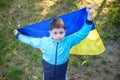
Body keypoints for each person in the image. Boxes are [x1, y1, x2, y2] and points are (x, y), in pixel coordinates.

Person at [14, 5, 94, 80]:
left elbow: (83, 33)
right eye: (55, 33)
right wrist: (19, 36)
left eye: (61, 32)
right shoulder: (45, 42)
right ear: (50, 33)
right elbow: (31, 41)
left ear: (65, 32)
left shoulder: (69, 41)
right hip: (48, 67)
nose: (58, 36)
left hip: (62, 68)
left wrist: (90, 15)